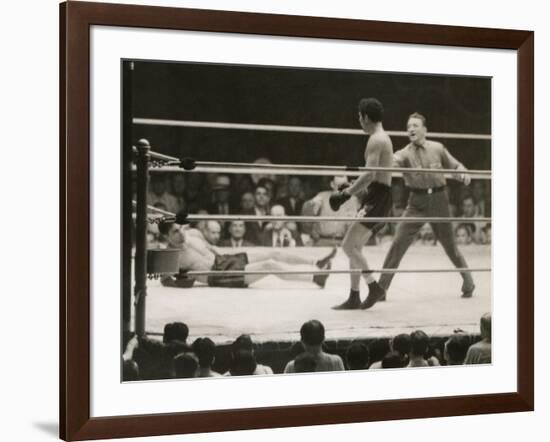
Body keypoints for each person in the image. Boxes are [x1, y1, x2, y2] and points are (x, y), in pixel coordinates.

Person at [373, 112, 475, 307]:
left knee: (450, 246)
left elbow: (455, 165)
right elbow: (388, 163)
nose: (411, 128)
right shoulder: (404, 153)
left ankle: (469, 282)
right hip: (416, 202)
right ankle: (382, 289)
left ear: (424, 129)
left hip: (439, 200)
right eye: (408, 125)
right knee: (398, 243)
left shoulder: (437, 148)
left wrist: (463, 172)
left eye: (415, 125)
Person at [329, 98, 394, 310]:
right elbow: (373, 179)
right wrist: (352, 187)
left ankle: (373, 287)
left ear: (366, 117)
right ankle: (354, 296)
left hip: (377, 198)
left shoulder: (377, 139)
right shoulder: (382, 138)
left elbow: (369, 175)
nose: (359, 122)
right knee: (354, 247)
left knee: (348, 246)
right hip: (377, 196)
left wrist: (347, 193)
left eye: (359, 117)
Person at [158, 216, 337, 288]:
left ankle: (316, 263)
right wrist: (185, 281)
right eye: (175, 231)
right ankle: (315, 278)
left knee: (273, 252)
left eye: (181, 228)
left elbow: (212, 248)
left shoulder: (194, 233)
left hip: (224, 260)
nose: (181, 233)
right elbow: (165, 280)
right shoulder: (170, 256)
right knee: (269, 265)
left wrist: (230, 254)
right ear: (166, 237)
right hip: (220, 275)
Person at [303, 176, 360, 246]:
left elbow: (354, 225)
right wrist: (312, 205)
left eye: (344, 185)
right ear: (332, 184)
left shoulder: (353, 200)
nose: (341, 189)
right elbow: (307, 213)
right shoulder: (322, 196)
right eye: (338, 185)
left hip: (343, 242)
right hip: (323, 241)